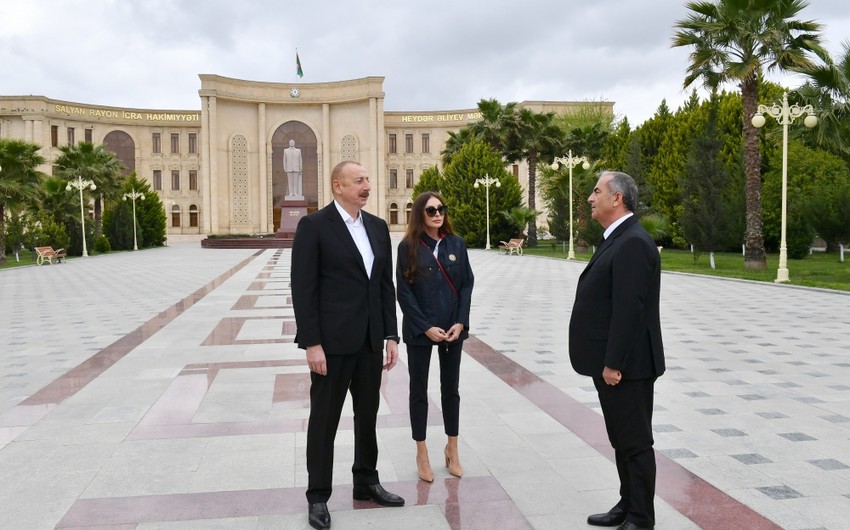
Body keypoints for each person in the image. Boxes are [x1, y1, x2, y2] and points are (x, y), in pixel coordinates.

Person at [291, 160, 405, 530]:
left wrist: (391, 334)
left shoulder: (376, 226)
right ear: (337, 186)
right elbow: (303, 289)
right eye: (359, 181)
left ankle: (366, 482)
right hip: (333, 345)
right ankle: (318, 497)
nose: (366, 185)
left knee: (367, 415)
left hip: (371, 341)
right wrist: (312, 343)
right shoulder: (314, 226)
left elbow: (384, 286)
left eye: (367, 180)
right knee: (324, 421)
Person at [569, 171, 665, 530]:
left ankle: (641, 518)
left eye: (597, 191)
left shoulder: (633, 243)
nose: (591, 198)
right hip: (615, 365)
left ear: (617, 199)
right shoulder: (618, 238)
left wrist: (612, 363)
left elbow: (630, 310)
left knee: (636, 442)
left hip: (628, 366)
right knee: (622, 439)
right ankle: (628, 504)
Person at [396, 192, 473, 482]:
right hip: (421, 332)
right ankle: (421, 451)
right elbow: (403, 291)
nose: (438, 214)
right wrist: (426, 326)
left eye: (442, 208)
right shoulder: (408, 247)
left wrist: (461, 322)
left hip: (452, 330)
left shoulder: (456, 244)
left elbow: (467, 284)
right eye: (431, 210)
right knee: (419, 391)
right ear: (420, 214)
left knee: (450, 389)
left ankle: (452, 448)